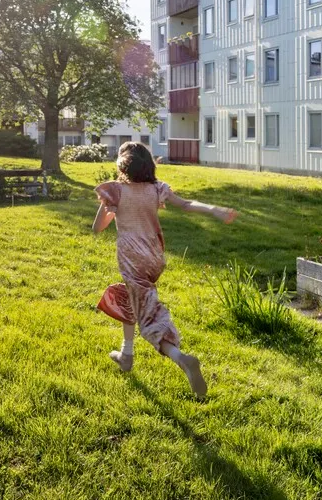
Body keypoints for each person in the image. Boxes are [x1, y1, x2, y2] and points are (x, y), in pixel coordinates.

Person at [92, 141, 237, 398]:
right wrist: (214, 210)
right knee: (130, 297)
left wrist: (108, 204)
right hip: (155, 257)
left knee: (148, 318)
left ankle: (180, 357)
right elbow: (186, 204)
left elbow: (97, 228)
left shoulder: (116, 191)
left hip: (132, 258)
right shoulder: (157, 189)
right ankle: (126, 354)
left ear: (122, 164)